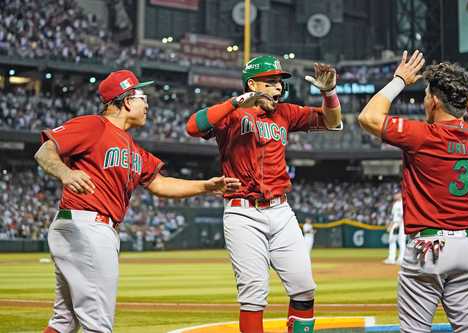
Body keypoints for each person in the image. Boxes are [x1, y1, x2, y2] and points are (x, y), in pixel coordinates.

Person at [35, 70, 241, 333]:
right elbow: (45, 151)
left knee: (64, 321)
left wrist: (204, 186)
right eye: (143, 98)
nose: (147, 105)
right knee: (97, 324)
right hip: (86, 226)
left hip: (88, 228)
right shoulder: (94, 125)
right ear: (127, 100)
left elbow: (159, 184)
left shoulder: (132, 147)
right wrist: (65, 172)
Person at [186, 55, 342, 333]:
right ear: (252, 84)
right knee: (254, 297)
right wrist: (236, 102)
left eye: (279, 83)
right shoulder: (231, 113)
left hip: (281, 211)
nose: (278, 88)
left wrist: (329, 93)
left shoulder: (286, 113)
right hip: (242, 213)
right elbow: (193, 126)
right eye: (271, 82)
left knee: (304, 288)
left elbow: (332, 121)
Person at [358, 50, 468, 332]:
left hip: (429, 248)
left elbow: (369, 117)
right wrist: (461, 91)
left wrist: (399, 79)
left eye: (425, 96)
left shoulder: (423, 135)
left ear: (434, 100)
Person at [384, 191, 405, 265]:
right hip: (395, 223)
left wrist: (399, 225)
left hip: (401, 224)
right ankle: (391, 258)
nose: (395, 195)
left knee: (401, 241)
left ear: (401, 194)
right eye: (395, 194)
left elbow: (403, 216)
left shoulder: (403, 203)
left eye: (397, 194)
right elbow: (394, 217)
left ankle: (401, 259)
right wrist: (391, 225)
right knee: (391, 240)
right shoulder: (395, 204)